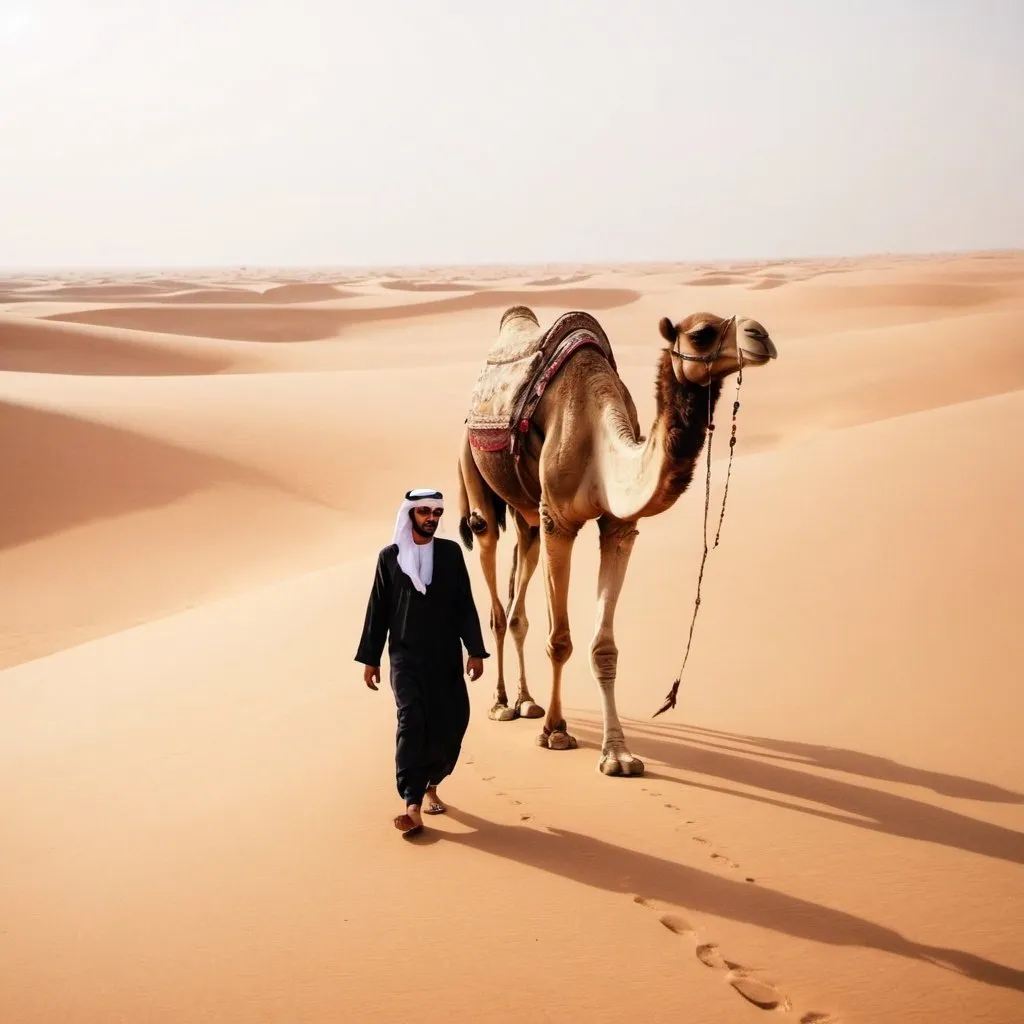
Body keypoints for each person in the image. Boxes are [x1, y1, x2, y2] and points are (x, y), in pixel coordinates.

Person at [355, 487, 488, 838]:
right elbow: (378, 609)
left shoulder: (450, 553)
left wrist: (474, 649)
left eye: (437, 513)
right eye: (424, 511)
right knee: (411, 718)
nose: (431, 518)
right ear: (410, 514)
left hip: (445, 656)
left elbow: (464, 605)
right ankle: (412, 803)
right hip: (404, 656)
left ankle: (432, 782)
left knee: (452, 721)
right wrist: (371, 658)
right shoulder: (390, 557)